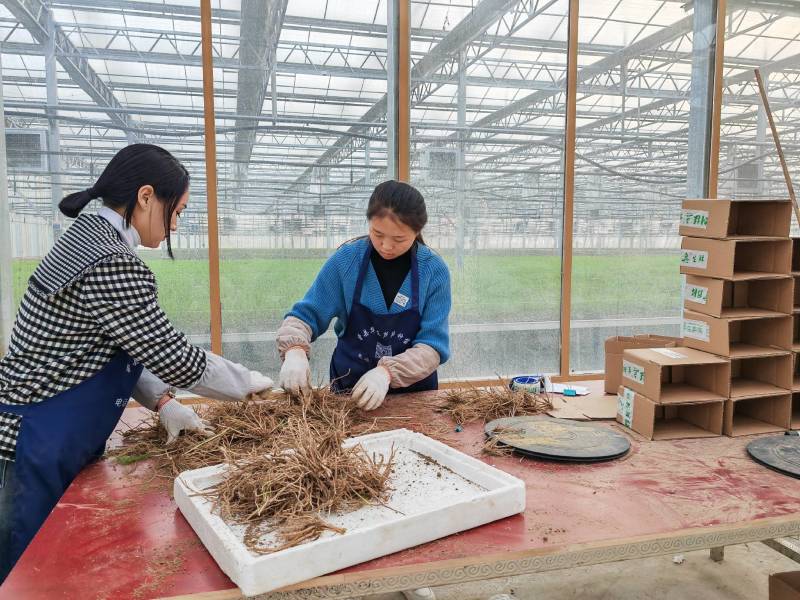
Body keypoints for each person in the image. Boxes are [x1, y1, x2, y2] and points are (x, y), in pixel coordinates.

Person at [0, 144, 274, 582]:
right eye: (177, 210)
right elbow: (176, 357)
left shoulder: (86, 238)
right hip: (39, 439)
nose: (176, 224)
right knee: (30, 573)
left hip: (52, 430)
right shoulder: (111, 261)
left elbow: (116, 347)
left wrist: (163, 403)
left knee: (58, 569)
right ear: (147, 197)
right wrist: (255, 384)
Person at [277, 180, 451, 410]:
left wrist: (386, 372)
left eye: (399, 239)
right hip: (350, 397)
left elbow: (433, 347)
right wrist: (294, 350)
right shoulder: (346, 261)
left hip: (413, 399)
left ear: (417, 230)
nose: (386, 246)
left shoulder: (433, 271)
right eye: (377, 234)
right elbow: (305, 316)